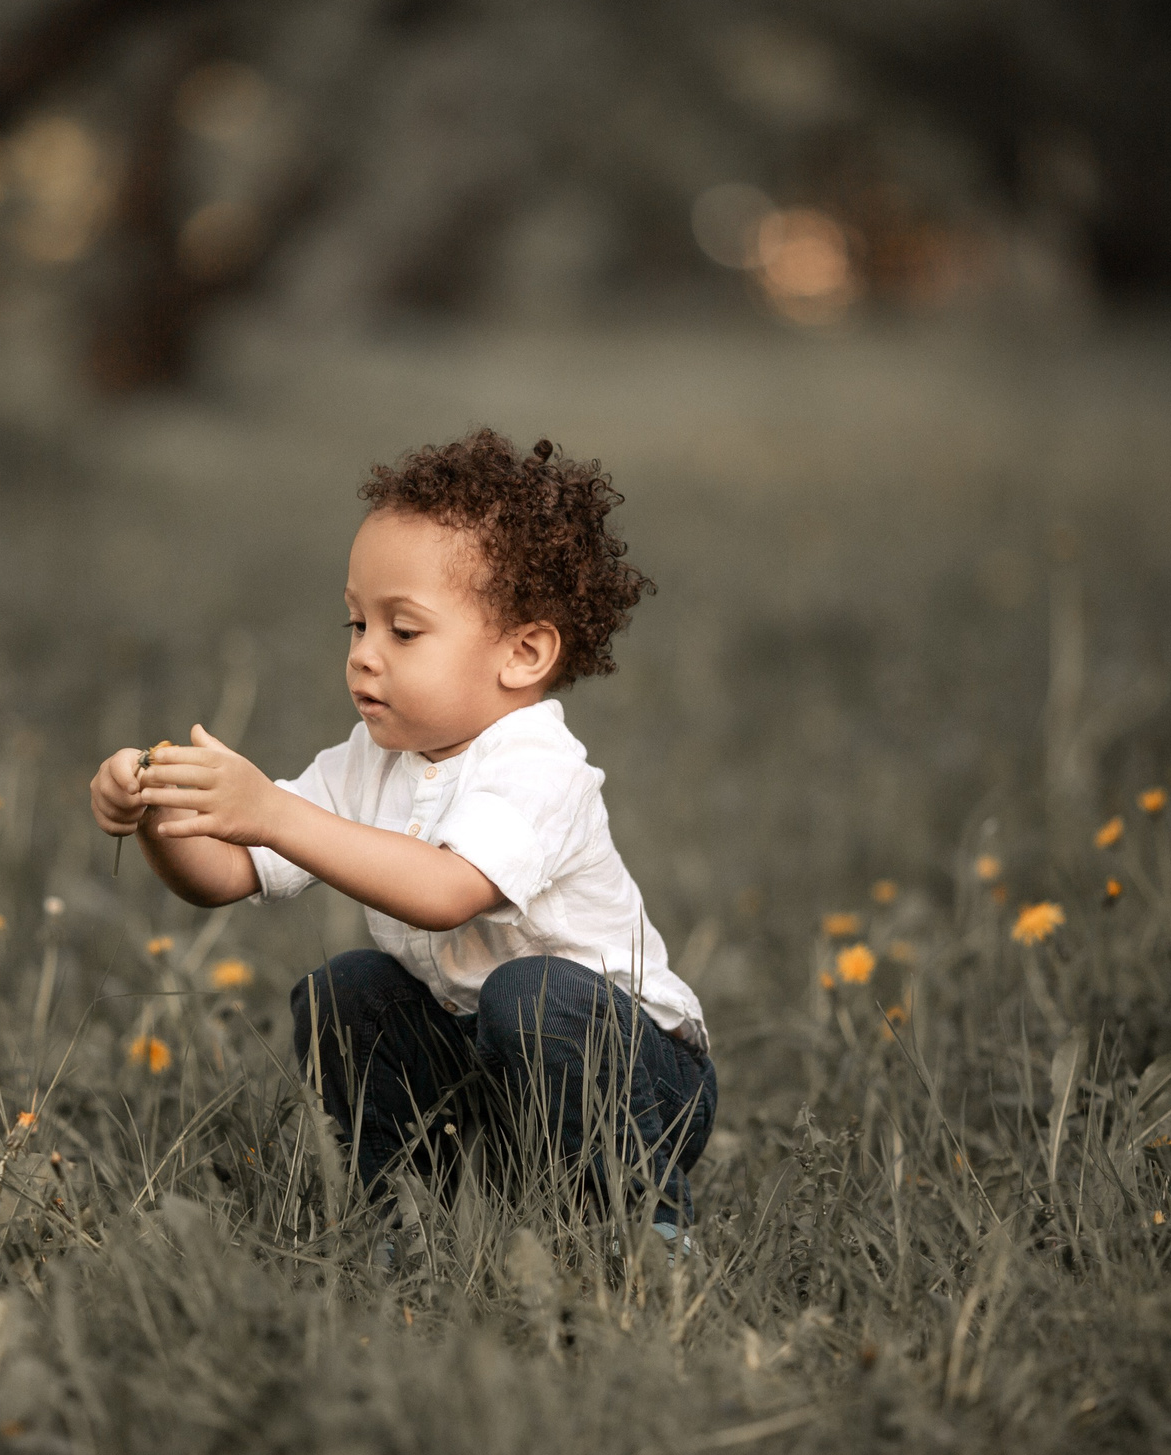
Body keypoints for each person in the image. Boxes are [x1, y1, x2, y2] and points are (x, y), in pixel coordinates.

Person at [88, 429, 715, 1253]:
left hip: (634, 1078)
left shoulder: (539, 764)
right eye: (355, 624)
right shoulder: (370, 759)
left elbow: (445, 888)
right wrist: (164, 814)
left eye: (403, 632)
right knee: (344, 990)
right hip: (487, 1070)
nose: (362, 657)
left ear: (523, 653)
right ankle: (410, 1213)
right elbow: (226, 873)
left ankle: (642, 1226)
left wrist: (273, 812)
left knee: (532, 994)